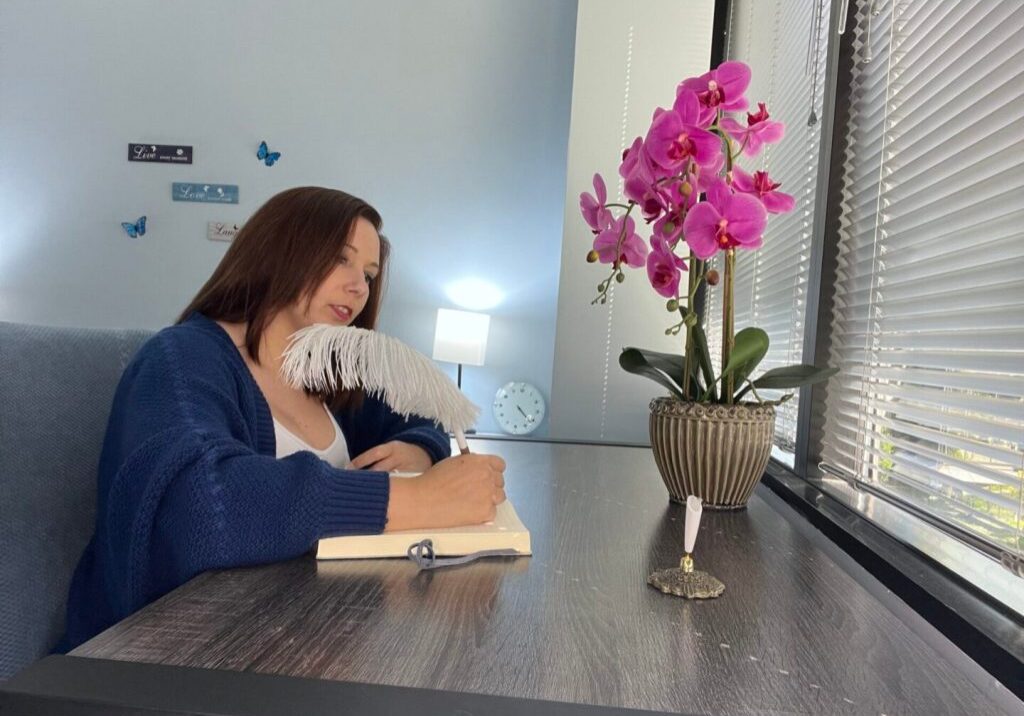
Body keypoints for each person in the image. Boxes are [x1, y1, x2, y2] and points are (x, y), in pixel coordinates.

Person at [58, 186, 506, 651]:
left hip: (298, 630)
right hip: (162, 657)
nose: (359, 287)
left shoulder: (328, 368)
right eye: (341, 259)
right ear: (281, 250)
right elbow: (202, 504)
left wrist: (418, 448)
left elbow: (418, 414)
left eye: (369, 274)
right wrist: (414, 499)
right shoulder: (182, 359)